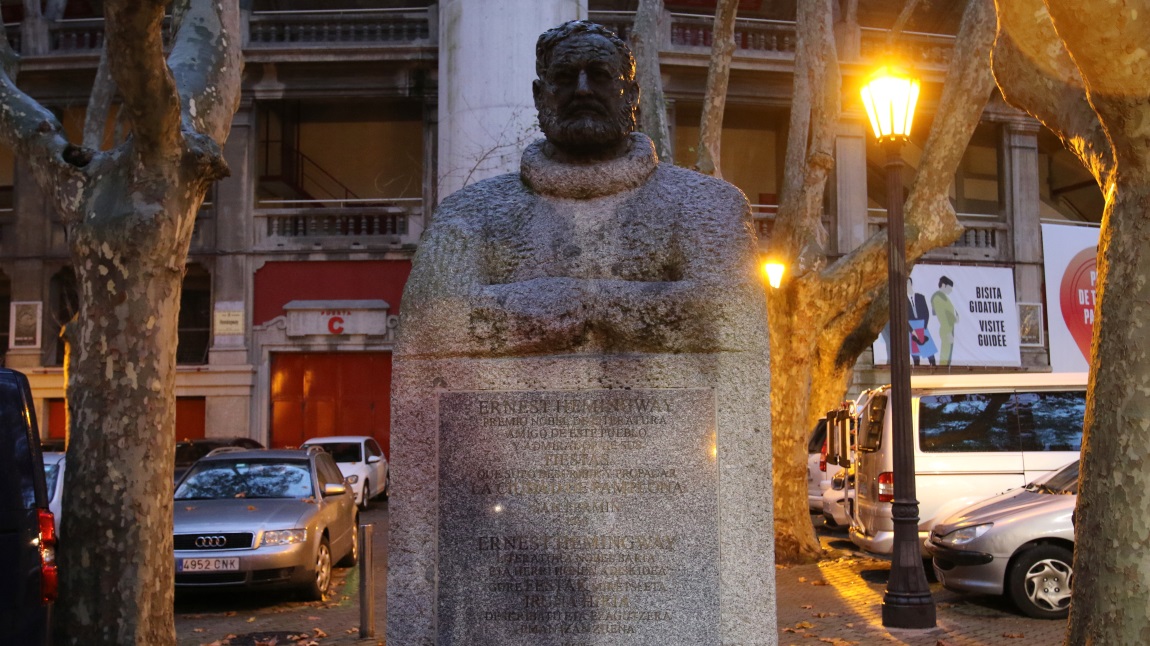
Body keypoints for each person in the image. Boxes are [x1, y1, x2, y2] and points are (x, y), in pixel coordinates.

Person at [396, 20, 765, 358]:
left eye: (601, 76)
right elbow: (431, 319)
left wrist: (586, 299)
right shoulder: (469, 212)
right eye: (566, 77)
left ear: (632, 95)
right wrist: (616, 307)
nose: (583, 90)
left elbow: (727, 314)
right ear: (541, 96)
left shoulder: (709, 205)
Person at [908, 277, 937, 366]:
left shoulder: (920, 297)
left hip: (922, 325)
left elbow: (926, 312)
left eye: (908, 283)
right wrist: (911, 330)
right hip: (911, 326)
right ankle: (917, 368)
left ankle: (933, 367)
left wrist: (924, 326)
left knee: (928, 349)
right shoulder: (902, 300)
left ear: (911, 284)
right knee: (915, 351)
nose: (907, 285)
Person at [931, 275, 959, 365]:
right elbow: (942, 317)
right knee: (945, 355)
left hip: (949, 328)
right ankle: (943, 371)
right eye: (949, 288)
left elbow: (950, 313)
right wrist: (948, 332)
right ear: (943, 285)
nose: (950, 290)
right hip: (946, 329)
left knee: (948, 355)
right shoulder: (937, 298)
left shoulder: (945, 297)